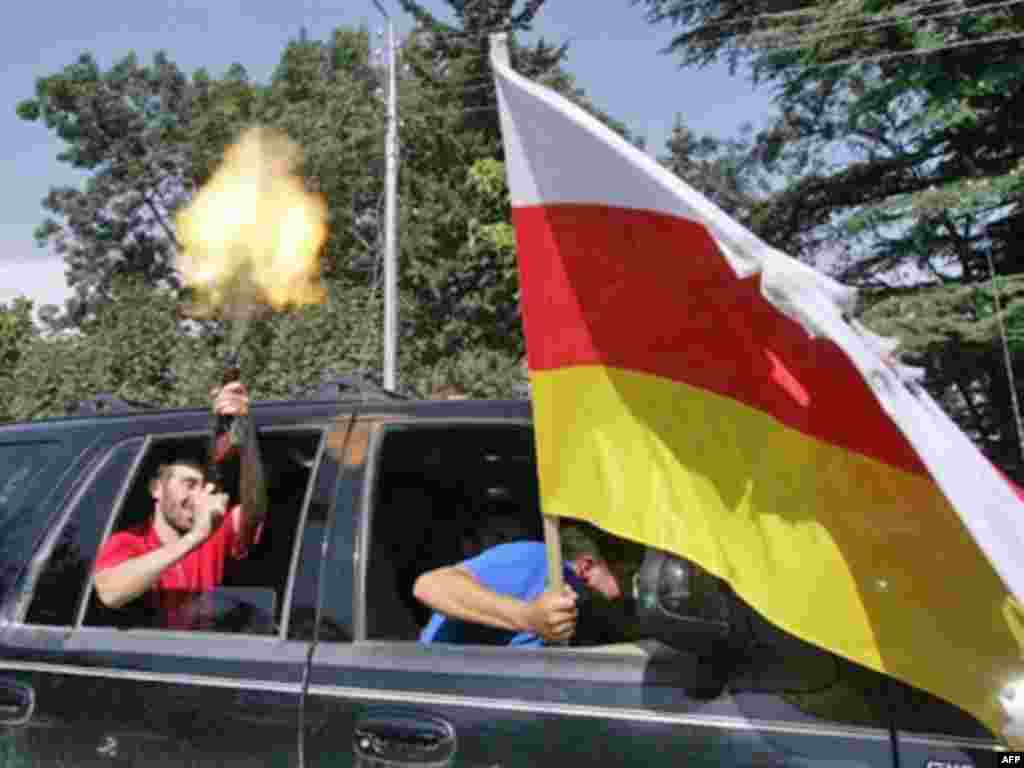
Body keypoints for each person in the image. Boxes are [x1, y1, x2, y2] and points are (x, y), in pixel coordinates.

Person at [93, 381, 268, 622]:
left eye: (203, 486)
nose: (198, 497)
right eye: (188, 484)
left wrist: (245, 431)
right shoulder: (130, 541)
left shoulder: (213, 533)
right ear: (157, 488)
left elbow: (254, 510)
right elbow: (110, 592)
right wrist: (194, 538)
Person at [414, 521, 634, 647]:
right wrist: (529, 617)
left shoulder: (590, 606)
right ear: (586, 566)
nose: (629, 588)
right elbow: (430, 586)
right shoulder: (536, 560)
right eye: (625, 575)